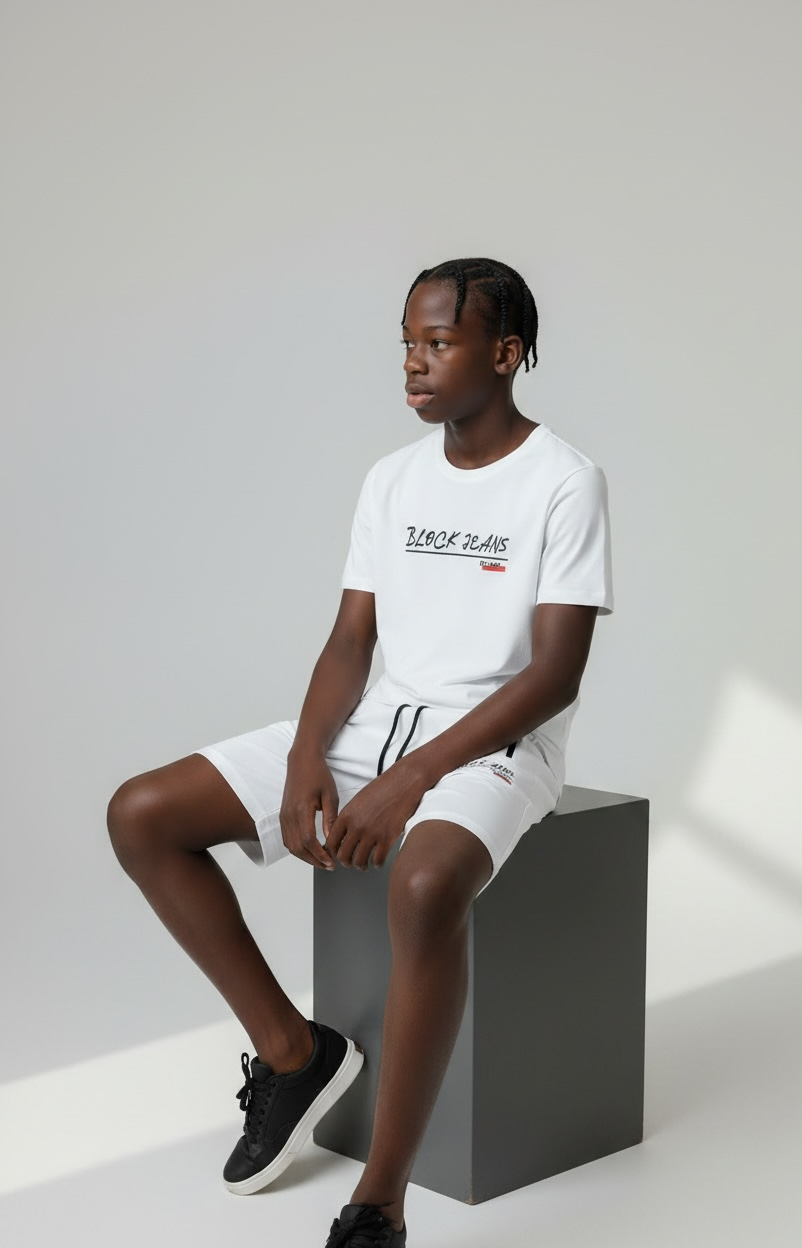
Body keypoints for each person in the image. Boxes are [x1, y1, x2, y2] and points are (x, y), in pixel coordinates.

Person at [107, 256, 613, 1247]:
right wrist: (309, 756)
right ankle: (292, 1054)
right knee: (143, 814)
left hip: (496, 745)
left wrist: (410, 782)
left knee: (422, 887)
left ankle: (380, 1203)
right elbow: (351, 641)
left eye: (438, 343)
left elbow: (553, 675)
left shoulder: (564, 481)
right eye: (407, 344)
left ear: (505, 353)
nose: (413, 363)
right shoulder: (393, 477)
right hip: (373, 724)